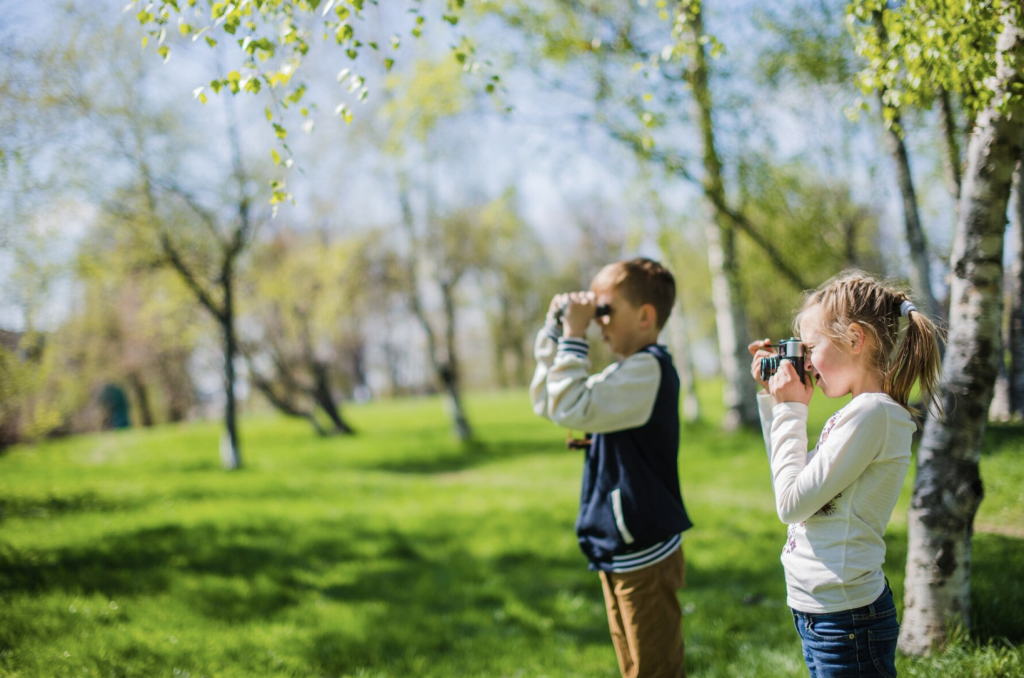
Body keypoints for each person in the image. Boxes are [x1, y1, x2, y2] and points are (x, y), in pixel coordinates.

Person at [748, 270, 942, 678]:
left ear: (855, 339)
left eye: (810, 347)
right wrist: (775, 401)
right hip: (823, 613)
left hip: (846, 621)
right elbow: (790, 481)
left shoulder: (874, 414)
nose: (805, 361)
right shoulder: (858, 413)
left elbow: (790, 505)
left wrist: (790, 408)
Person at [531, 257, 692, 678]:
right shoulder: (625, 373)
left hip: (643, 549)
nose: (597, 322)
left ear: (644, 316)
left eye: (605, 310)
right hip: (621, 546)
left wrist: (573, 336)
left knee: (655, 671)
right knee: (635, 667)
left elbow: (570, 404)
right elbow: (550, 401)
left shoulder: (649, 369)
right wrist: (556, 332)